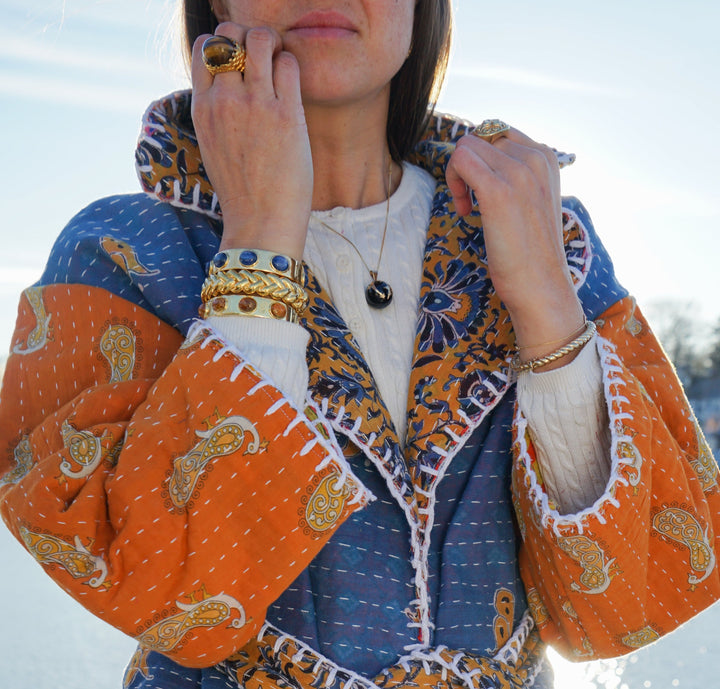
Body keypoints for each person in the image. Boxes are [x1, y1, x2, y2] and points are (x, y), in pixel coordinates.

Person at [1, 1, 718, 687]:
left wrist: (547, 307)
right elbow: (166, 592)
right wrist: (258, 247)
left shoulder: (545, 232)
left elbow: (630, 596)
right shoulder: (117, 260)